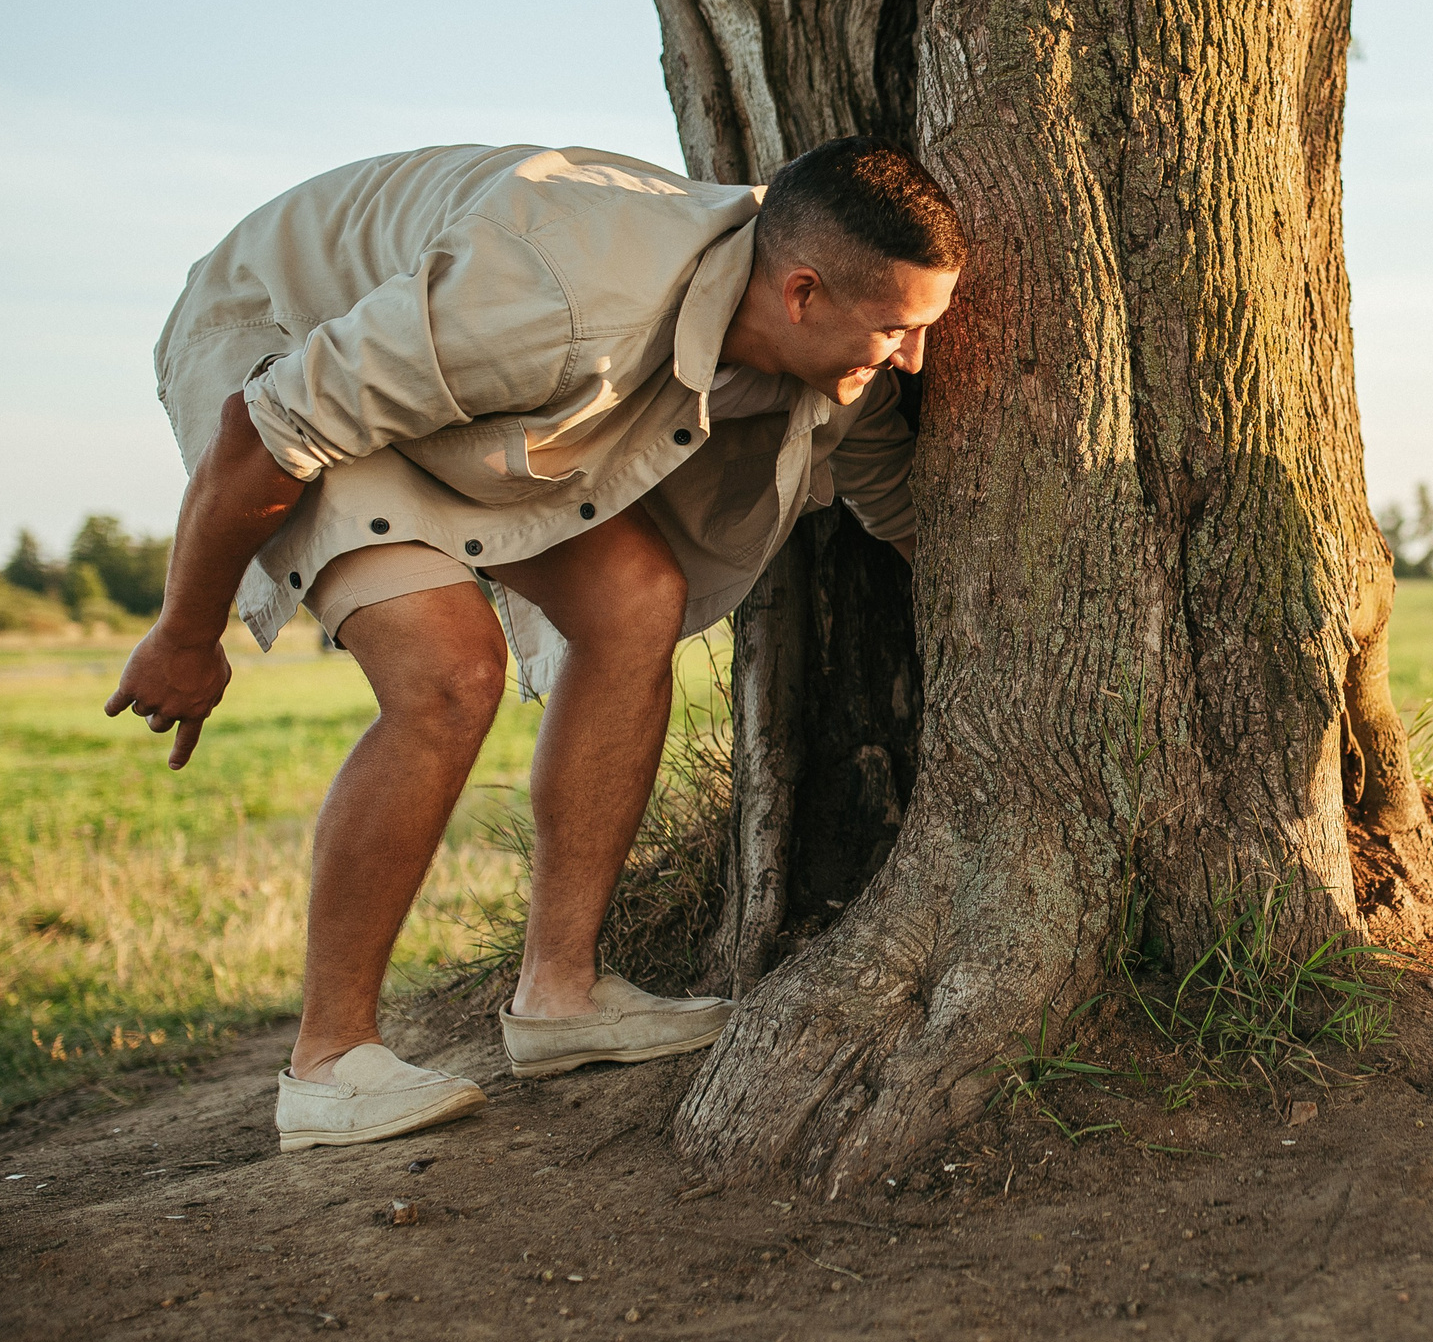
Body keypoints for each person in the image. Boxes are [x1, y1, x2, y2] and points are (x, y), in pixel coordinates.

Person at [106, 138, 964, 1149]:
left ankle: (562, 994)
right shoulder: (557, 300)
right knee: (449, 674)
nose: (912, 358)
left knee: (637, 598)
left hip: (445, 380)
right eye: (898, 331)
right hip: (288, 328)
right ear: (803, 292)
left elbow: (892, 498)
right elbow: (264, 429)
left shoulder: (822, 350)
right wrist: (184, 632)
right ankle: (326, 1066)